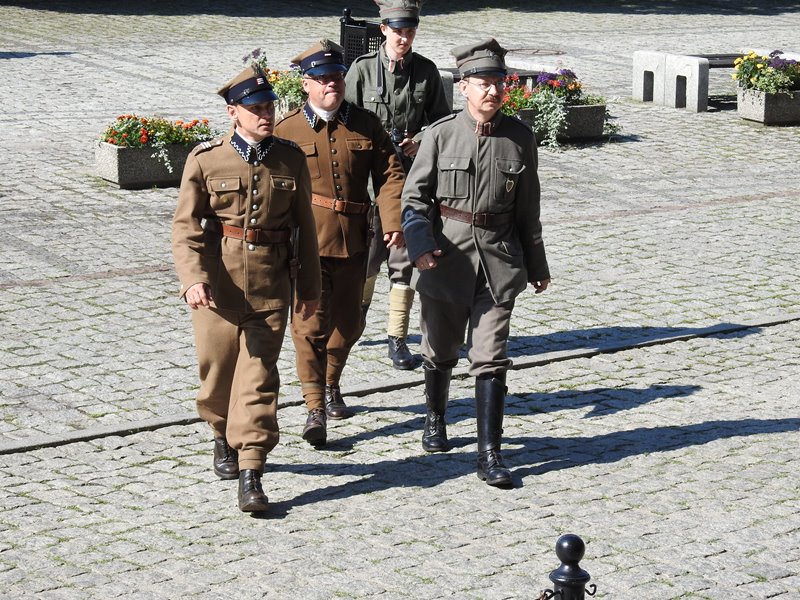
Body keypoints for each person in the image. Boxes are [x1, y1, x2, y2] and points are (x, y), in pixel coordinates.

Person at [171, 62, 321, 513]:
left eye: (269, 106)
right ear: (233, 112)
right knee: (216, 377)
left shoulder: (290, 159)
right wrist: (193, 279)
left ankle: (252, 468)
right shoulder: (206, 159)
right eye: (255, 108)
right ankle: (221, 431)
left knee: (258, 379)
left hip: (271, 287)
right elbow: (185, 228)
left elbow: (305, 228)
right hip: (217, 290)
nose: (265, 114)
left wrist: (309, 289)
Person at [401, 38, 551, 487]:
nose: (493, 90)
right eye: (483, 83)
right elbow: (414, 200)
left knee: (490, 357)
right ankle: (435, 417)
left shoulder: (520, 138)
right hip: (445, 260)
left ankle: (489, 454)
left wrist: (537, 265)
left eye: (498, 82)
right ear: (463, 86)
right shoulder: (440, 134)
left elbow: (528, 209)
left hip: (499, 263)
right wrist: (420, 246)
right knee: (439, 351)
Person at [274, 39, 405, 447]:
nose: (331, 83)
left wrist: (393, 221)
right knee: (309, 327)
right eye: (322, 78)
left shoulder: (366, 124)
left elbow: (391, 174)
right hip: (307, 247)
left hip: (355, 243)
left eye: (336, 77)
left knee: (348, 325)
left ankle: (332, 383)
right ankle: (315, 406)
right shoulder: (286, 130)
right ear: (306, 84)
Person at [345, 0, 451, 370]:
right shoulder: (361, 70)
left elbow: (442, 122)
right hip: (369, 185)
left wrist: (419, 140)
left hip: (411, 181)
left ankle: (397, 337)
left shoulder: (426, 71)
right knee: (367, 258)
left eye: (410, 31)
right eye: (397, 31)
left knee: (403, 261)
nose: (404, 38)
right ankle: (353, 322)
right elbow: (345, 122)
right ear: (383, 30)